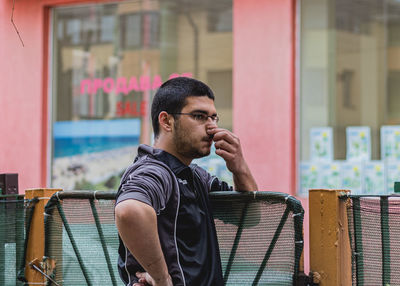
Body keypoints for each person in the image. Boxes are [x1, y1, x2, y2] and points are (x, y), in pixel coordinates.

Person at [114, 77, 258, 286]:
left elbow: (250, 217)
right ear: (166, 121)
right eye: (199, 116)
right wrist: (162, 279)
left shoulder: (196, 175)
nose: (212, 127)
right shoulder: (154, 171)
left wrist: (239, 166)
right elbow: (129, 212)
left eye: (214, 118)